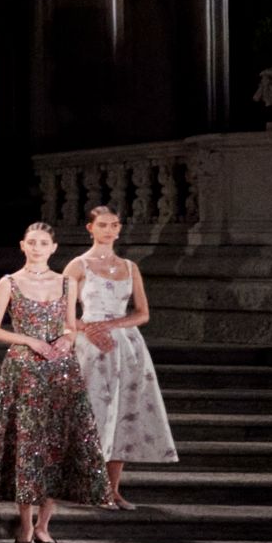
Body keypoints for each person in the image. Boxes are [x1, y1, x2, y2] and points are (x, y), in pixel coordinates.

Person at [0, 221, 111, 543]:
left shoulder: (66, 282)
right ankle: (25, 525)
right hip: (24, 370)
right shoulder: (9, 282)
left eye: (43, 243)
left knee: (57, 447)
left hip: (60, 370)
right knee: (27, 446)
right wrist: (29, 341)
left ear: (53, 248)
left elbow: (70, 326)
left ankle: (44, 526)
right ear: (23, 246)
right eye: (32, 242)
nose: (37, 248)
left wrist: (67, 338)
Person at [65, 204, 176, 509]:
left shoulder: (129, 267)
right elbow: (62, 313)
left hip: (127, 345)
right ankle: (88, 486)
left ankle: (112, 489)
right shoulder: (78, 265)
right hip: (92, 345)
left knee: (123, 414)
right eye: (102, 225)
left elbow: (142, 313)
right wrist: (88, 329)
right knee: (94, 413)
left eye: (114, 225)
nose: (109, 230)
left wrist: (113, 325)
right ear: (90, 228)